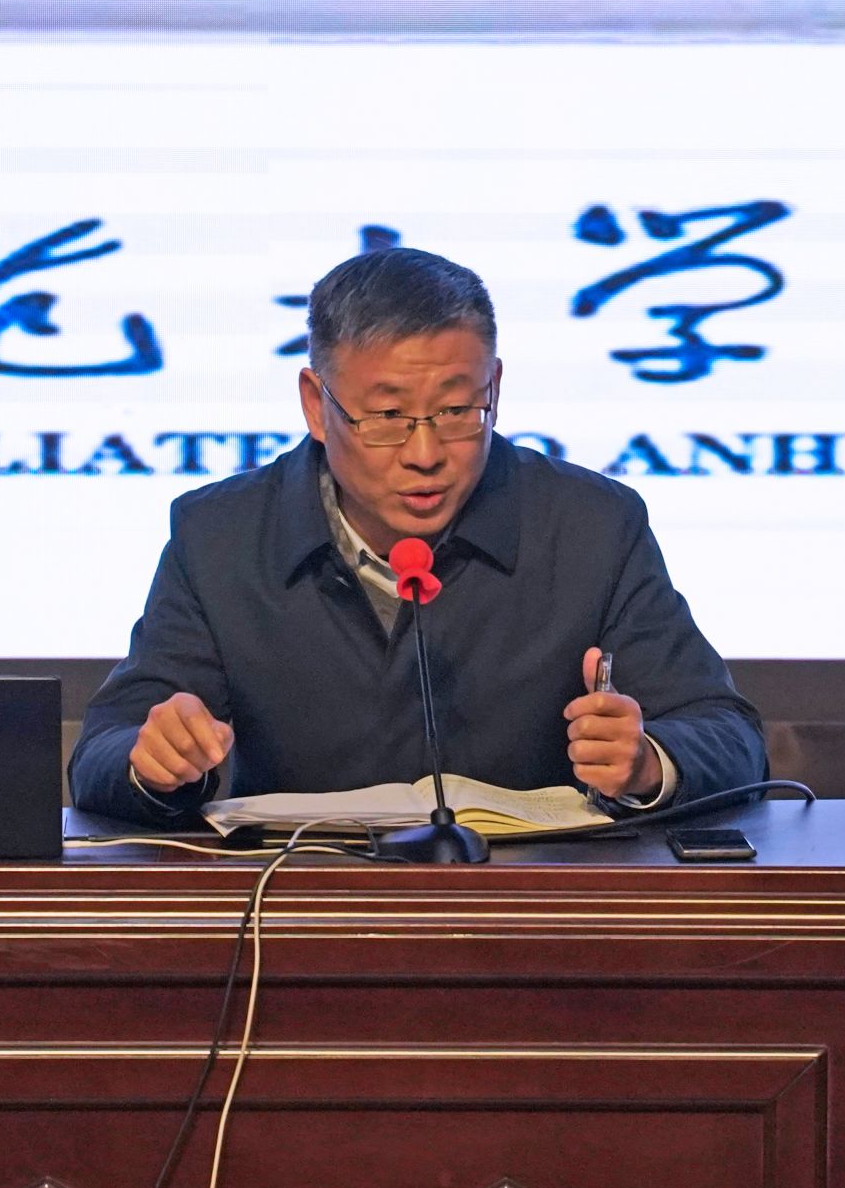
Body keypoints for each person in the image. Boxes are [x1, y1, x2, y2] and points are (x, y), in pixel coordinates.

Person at [69, 245, 765, 824]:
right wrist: (155, 761)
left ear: (495, 389)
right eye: (388, 417)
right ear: (315, 404)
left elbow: (728, 735)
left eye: (457, 410)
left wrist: (646, 764)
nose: (426, 453)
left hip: (534, 906)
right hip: (298, 909)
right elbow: (101, 752)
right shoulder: (220, 536)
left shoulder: (590, 526)